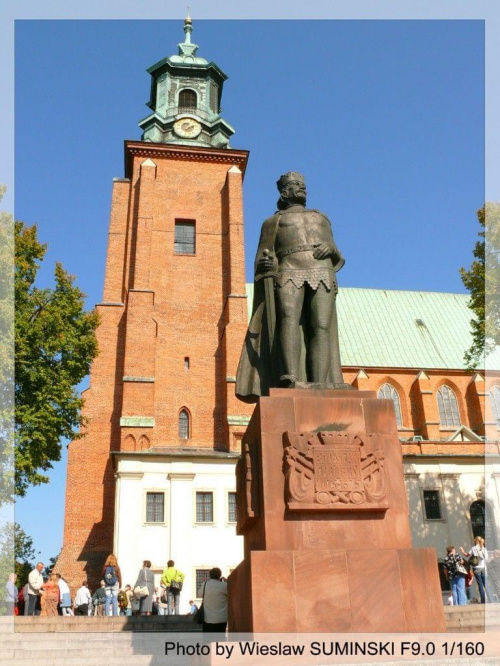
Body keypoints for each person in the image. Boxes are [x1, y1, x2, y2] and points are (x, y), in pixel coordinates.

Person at [236, 171, 349, 402]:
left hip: (322, 271)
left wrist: (331, 249)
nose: (302, 188)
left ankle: (320, 382)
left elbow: (338, 254)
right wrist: (267, 263)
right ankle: (290, 377)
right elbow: (262, 257)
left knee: (321, 325)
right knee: (288, 319)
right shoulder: (273, 221)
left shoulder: (322, 218)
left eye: (303, 185)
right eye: (296, 185)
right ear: (285, 192)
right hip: (288, 271)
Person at [460, 536, 490, 604]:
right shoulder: (484, 549)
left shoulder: (474, 548)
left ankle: (483, 601)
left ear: (476, 541)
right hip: (483, 568)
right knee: (486, 584)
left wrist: (462, 551)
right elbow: (487, 559)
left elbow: (467, 555)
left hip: (476, 568)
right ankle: (490, 599)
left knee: (480, 585)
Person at [199, 567, 227, 633]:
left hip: (208, 618)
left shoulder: (205, 585)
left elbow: (200, 594)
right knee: (220, 640)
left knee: (207, 640)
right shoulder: (225, 585)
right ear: (220, 575)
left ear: (210, 575)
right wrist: (227, 581)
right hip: (221, 618)